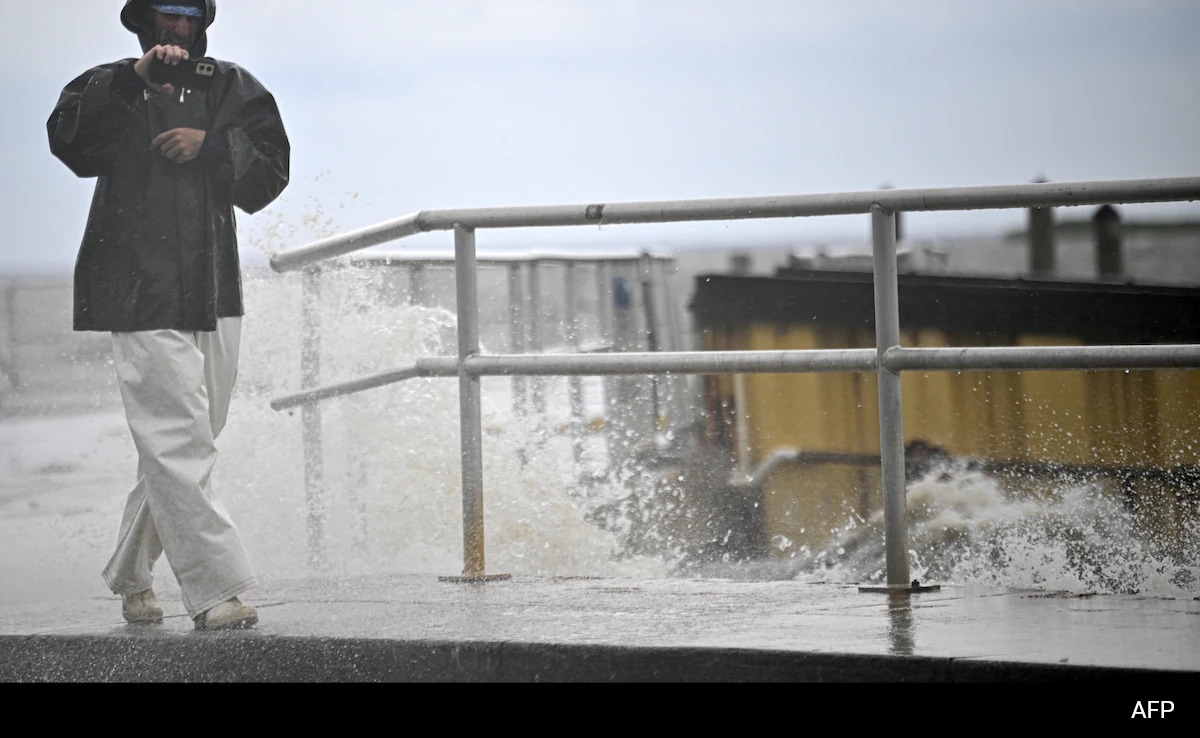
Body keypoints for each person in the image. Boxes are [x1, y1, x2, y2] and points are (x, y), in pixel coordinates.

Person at [47, 0, 290, 630]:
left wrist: (212, 147)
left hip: (214, 291)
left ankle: (131, 574)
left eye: (188, 14)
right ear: (141, 20)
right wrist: (135, 79)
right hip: (135, 290)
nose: (177, 27)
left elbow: (268, 177)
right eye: (165, 13)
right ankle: (217, 591)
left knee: (191, 439)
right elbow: (72, 146)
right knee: (178, 441)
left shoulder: (234, 87)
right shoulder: (105, 84)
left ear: (203, 20)